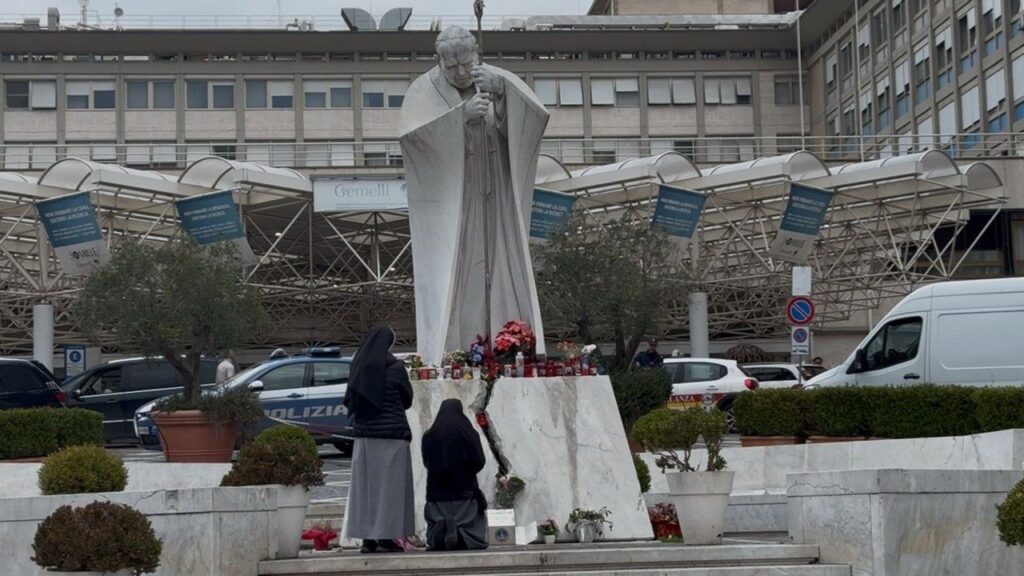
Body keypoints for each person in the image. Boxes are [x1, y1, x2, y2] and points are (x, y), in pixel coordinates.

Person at [399, 26, 550, 364]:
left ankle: (511, 342)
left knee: (503, 263)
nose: (461, 72)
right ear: (438, 61)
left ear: (477, 53)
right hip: (456, 203)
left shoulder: (497, 79)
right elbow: (412, 141)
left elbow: (537, 118)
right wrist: (459, 121)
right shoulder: (422, 90)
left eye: (466, 63)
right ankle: (456, 349)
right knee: (460, 267)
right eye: (451, 67)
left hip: (497, 195)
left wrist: (503, 96)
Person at [343, 326, 415, 554]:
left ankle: (367, 540)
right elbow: (407, 398)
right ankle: (386, 538)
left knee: (366, 491)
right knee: (390, 491)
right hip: (393, 436)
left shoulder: (358, 365)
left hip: (364, 436)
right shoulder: (395, 367)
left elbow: (350, 398)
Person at [421, 398, 489, 551]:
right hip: (465, 497)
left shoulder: (429, 436)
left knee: (437, 524)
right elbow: (480, 461)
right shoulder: (469, 433)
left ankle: (442, 530)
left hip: (436, 499)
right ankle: (461, 534)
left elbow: (427, 463)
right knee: (473, 531)